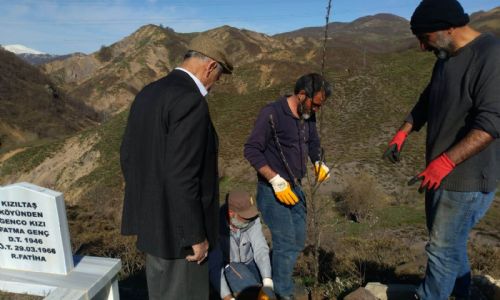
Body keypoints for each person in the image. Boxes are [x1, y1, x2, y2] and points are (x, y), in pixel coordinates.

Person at [382, 0, 500, 299]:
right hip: (441, 173)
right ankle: (464, 294)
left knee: (441, 249)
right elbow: (428, 98)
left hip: (466, 177)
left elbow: (491, 123)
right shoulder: (446, 56)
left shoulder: (490, 56)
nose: (422, 47)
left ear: (449, 28)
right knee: (451, 245)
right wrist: (404, 130)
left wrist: (445, 162)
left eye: (425, 39)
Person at [120, 35, 233, 300]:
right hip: (181, 237)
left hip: (154, 228)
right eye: (219, 76)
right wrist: (194, 234)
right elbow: (183, 174)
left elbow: (127, 155)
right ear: (211, 67)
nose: (216, 84)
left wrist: (151, 207)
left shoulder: (148, 92)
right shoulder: (190, 101)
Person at [244, 73, 332, 299]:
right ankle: (283, 294)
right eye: (315, 104)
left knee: (297, 240)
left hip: (295, 188)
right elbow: (251, 149)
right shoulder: (272, 113)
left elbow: (313, 143)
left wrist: (318, 162)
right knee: (284, 242)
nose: (317, 110)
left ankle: (270, 284)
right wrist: (274, 179)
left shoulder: (307, 115)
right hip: (272, 191)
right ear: (302, 95)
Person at [209, 190, 274, 300]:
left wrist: (267, 282)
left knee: (273, 283)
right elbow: (215, 266)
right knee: (252, 290)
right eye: (245, 216)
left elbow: (260, 249)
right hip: (229, 265)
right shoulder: (215, 226)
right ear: (231, 213)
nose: (249, 219)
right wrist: (227, 297)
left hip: (250, 261)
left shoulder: (253, 220)